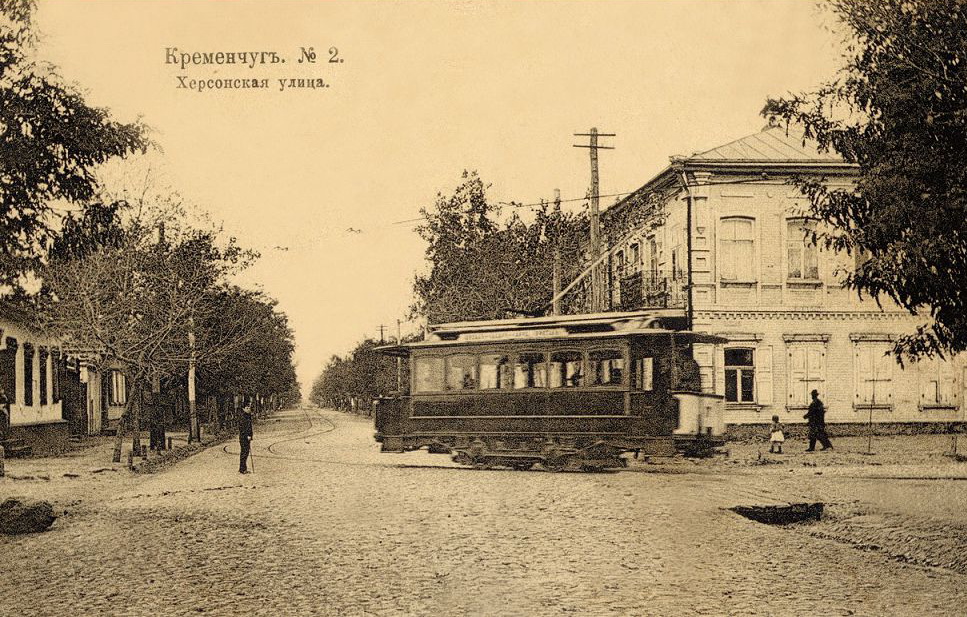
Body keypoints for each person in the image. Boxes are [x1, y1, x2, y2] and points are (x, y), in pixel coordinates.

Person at [238, 404, 254, 473]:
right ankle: (242, 469)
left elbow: (250, 427)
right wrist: (247, 435)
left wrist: (250, 435)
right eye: (247, 408)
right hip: (244, 437)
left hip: (247, 437)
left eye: (249, 408)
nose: (248, 409)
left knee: (245, 452)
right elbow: (242, 428)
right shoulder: (243, 417)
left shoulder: (248, 416)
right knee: (244, 453)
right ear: (243, 409)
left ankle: (243, 468)